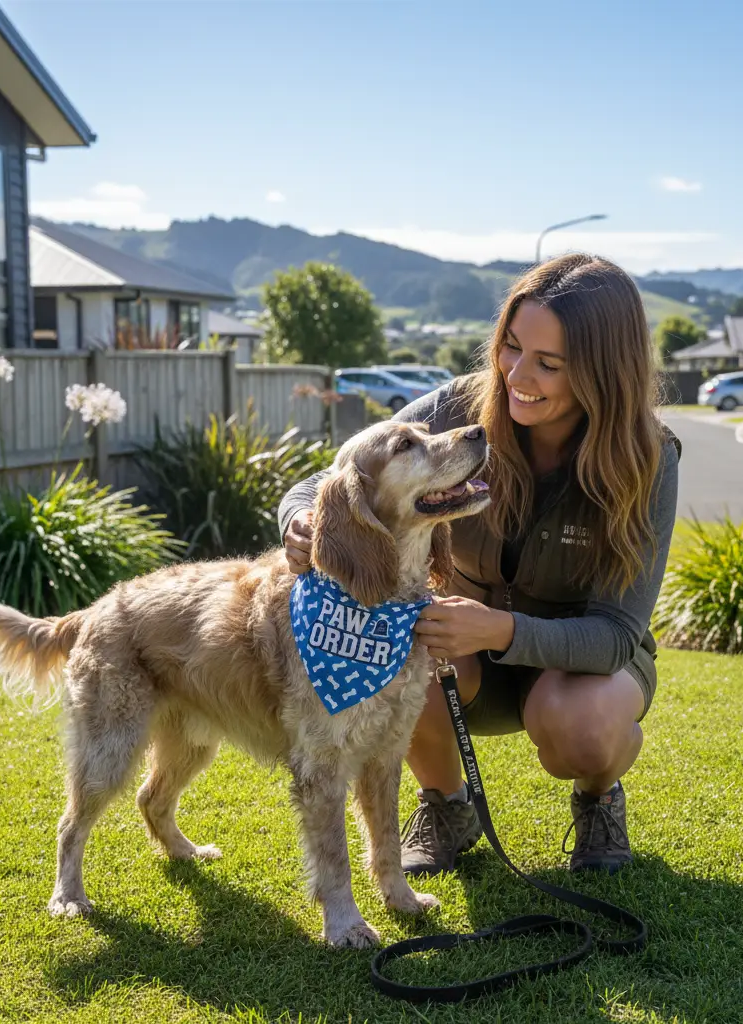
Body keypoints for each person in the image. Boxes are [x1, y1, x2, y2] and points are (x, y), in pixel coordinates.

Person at [277, 253, 680, 877]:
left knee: (582, 725)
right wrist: (300, 523)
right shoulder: (459, 410)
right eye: (511, 347)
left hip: (581, 669)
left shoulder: (649, 459)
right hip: (456, 655)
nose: (517, 375)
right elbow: (331, 480)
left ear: (604, 372)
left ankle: (599, 798)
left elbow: (617, 636)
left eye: (548, 364)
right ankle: (445, 805)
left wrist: (502, 630)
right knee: (400, 661)